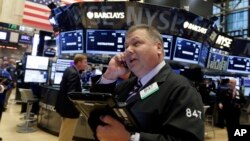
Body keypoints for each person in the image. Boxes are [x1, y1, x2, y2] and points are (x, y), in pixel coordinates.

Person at [90, 24, 204, 141]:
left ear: (158, 48)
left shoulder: (181, 89)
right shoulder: (124, 87)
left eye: (136, 43)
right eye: (126, 46)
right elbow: (95, 115)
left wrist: (131, 139)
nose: (128, 50)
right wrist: (110, 75)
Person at [55, 54, 88, 141]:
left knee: (65, 131)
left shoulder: (69, 69)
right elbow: (72, 93)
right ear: (79, 62)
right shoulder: (74, 73)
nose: (86, 64)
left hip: (65, 107)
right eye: (85, 62)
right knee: (66, 134)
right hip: (70, 110)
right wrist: (81, 99)